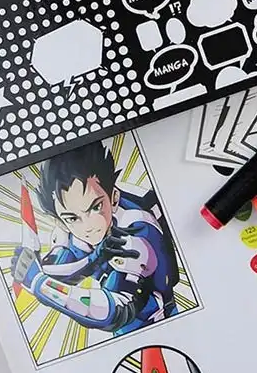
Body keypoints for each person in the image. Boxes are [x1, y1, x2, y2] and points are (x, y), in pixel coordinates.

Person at [11, 141, 179, 333]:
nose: (88, 226)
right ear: (60, 221)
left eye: (96, 207)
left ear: (114, 198)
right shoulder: (69, 230)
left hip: (160, 322)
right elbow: (59, 271)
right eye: (72, 218)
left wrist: (39, 283)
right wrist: (35, 266)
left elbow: (116, 309)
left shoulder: (137, 227)